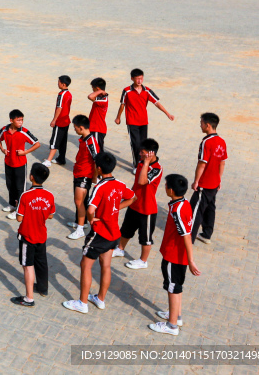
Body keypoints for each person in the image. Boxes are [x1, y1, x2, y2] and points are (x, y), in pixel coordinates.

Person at [63, 151, 135, 315]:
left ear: (99, 169)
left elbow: (90, 208)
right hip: (113, 233)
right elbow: (132, 198)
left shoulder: (100, 187)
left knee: (85, 266)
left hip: (99, 234)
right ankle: (100, 299)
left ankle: (82, 302)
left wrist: (92, 219)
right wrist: (117, 209)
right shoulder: (120, 184)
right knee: (106, 266)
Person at [149, 174, 201, 335]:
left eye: (165, 186)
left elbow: (186, 235)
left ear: (171, 190)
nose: (164, 187)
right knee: (176, 287)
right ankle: (176, 315)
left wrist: (191, 260)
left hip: (174, 256)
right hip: (178, 256)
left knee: (172, 288)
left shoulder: (177, 210)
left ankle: (171, 326)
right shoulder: (183, 203)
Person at [11, 163, 55, 307]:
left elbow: (19, 218)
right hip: (41, 235)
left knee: (27, 265)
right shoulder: (49, 195)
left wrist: (20, 206)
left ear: (31, 177)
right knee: (41, 262)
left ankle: (29, 298)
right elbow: (50, 215)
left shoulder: (26, 195)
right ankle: (43, 288)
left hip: (28, 237)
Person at [115, 138, 163, 269]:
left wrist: (146, 163)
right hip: (134, 204)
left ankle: (143, 261)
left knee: (145, 238)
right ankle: (120, 249)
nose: (139, 154)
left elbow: (142, 181)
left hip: (147, 209)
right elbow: (136, 184)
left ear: (150, 153)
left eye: (142, 152)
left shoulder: (156, 169)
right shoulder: (142, 163)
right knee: (126, 230)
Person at [115, 69, 175, 167]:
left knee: (143, 144)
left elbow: (157, 103)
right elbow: (122, 105)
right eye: (137, 79)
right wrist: (118, 117)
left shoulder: (147, 90)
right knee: (135, 144)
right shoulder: (127, 91)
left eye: (141, 78)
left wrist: (167, 114)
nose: (139, 81)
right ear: (132, 79)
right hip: (132, 121)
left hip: (143, 121)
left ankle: (143, 163)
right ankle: (136, 165)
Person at [0, 110, 40, 217]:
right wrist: (2, 150)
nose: (21, 122)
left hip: (20, 164)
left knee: (20, 188)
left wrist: (25, 152)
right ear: (11, 120)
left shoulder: (24, 132)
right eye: (18, 120)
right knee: (10, 185)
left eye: (22, 120)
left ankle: (20, 210)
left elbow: (37, 143)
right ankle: (12, 204)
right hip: (8, 162)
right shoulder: (4, 130)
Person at [190, 113, 226, 243]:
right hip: (214, 183)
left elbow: (201, 164)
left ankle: (189, 239)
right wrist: (219, 179)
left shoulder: (206, 142)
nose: (200, 125)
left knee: (195, 210)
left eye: (201, 123)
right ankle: (206, 234)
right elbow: (222, 162)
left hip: (204, 184)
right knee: (210, 208)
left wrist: (196, 182)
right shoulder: (222, 141)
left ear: (208, 125)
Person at [67, 115, 101, 240]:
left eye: (75, 128)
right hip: (78, 173)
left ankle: (80, 229)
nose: (74, 130)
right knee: (81, 201)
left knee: (79, 201)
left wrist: (94, 177)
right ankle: (80, 222)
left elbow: (97, 160)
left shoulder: (91, 142)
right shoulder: (84, 139)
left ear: (81, 128)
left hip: (85, 176)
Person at [46, 75, 73, 165]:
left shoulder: (61, 95)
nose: (58, 83)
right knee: (62, 141)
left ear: (63, 84)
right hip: (66, 121)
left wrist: (54, 120)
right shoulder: (69, 94)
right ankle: (61, 159)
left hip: (60, 121)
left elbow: (59, 108)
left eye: (59, 82)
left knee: (55, 140)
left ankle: (48, 160)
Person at [87, 78, 108, 151]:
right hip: (95, 128)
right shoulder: (100, 97)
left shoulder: (103, 99)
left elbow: (90, 96)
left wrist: (100, 91)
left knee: (98, 151)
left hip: (97, 129)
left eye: (93, 88)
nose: (92, 91)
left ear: (97, 88)